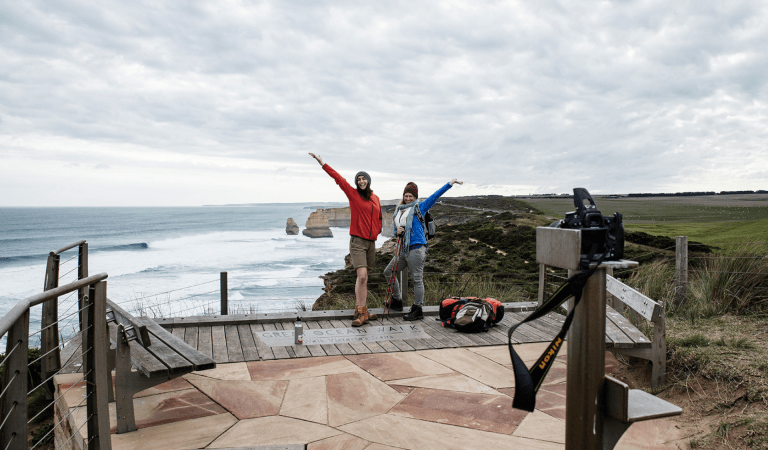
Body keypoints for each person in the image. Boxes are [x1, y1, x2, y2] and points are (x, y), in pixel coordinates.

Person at [309, 153, 383, 326]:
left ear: (368, 181)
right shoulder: (353, 195)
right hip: (357, 241)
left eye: (364, 179)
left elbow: (379, 218)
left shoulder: (376, 198)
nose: (361, 181)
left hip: (371, 242)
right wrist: (323, 164)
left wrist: (377, 231)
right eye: (359, 179)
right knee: (362, 276)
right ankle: (359, 311)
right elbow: (339, 180)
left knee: (366, 277)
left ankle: (363, 310)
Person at [384, 179, 463, 320]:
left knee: (416, 279)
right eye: (406, 195)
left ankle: (418, 309)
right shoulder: (399, 211)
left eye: (411, 196)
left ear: (415, 197)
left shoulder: (420, 207)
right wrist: (398, 232)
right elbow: (395, 231)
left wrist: (450, 184)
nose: (408, 198)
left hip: (417, 248)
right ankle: (397, 300)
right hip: (404, 249)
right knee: (388, 272)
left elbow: (435, 196)